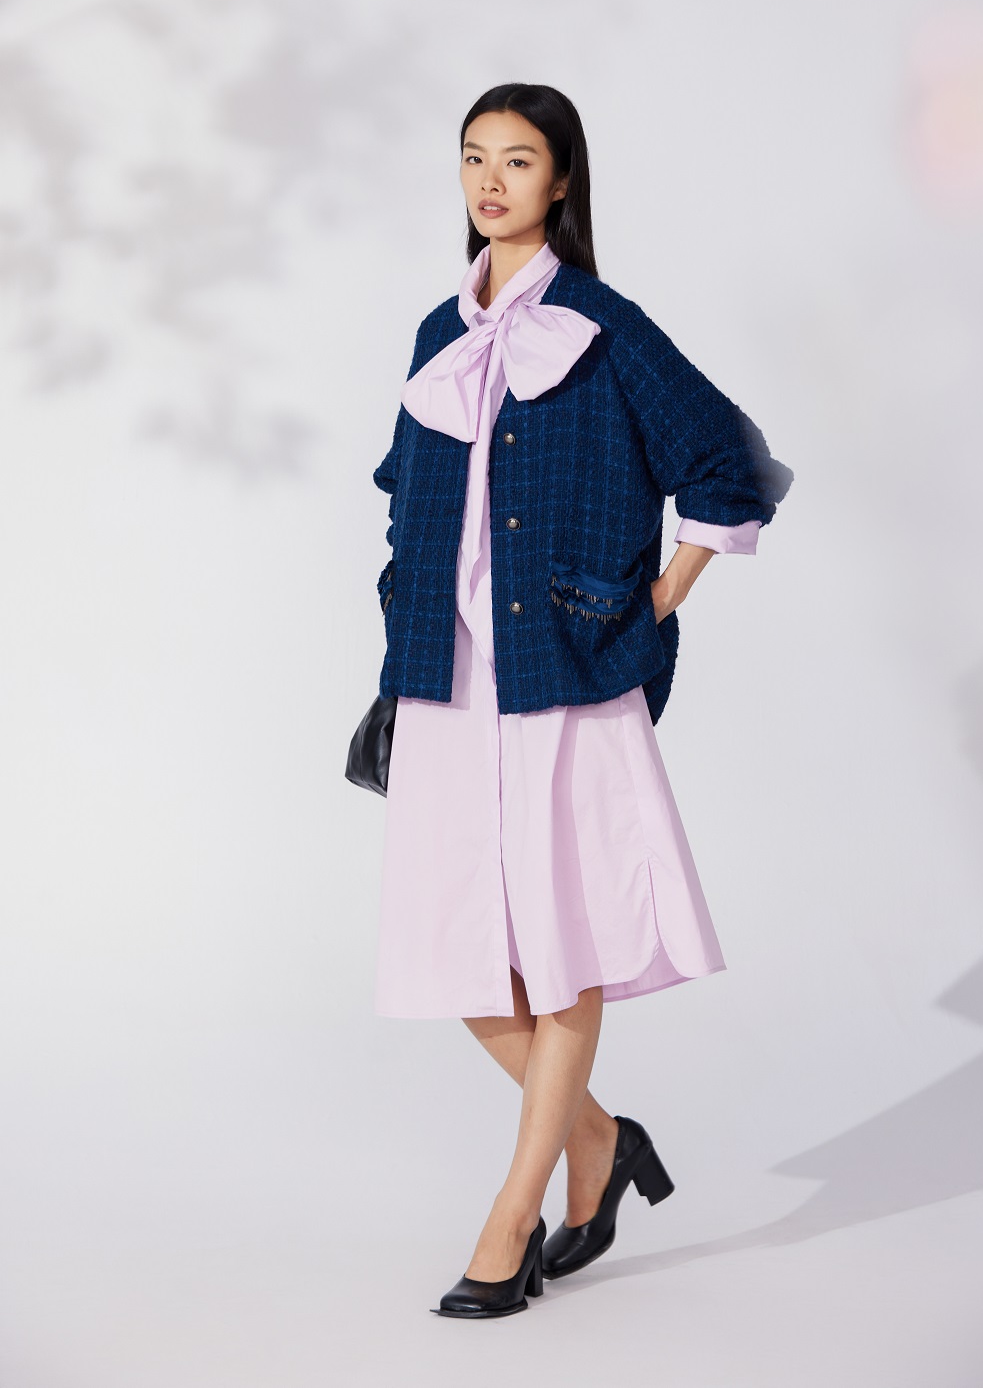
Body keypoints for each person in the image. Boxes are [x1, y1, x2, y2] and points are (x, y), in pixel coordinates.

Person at [369, 83, 794, 1318]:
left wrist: (659, 595)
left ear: (560, 180)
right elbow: (407, 498)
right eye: (473, 158)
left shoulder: (604, 327)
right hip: (445, 676)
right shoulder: (434, 333)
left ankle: (512, 1219)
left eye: (518, 160)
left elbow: (725, 458)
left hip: (565, 669)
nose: (490, 181)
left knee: (560, 946)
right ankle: (599, 1140)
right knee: (460, 952)